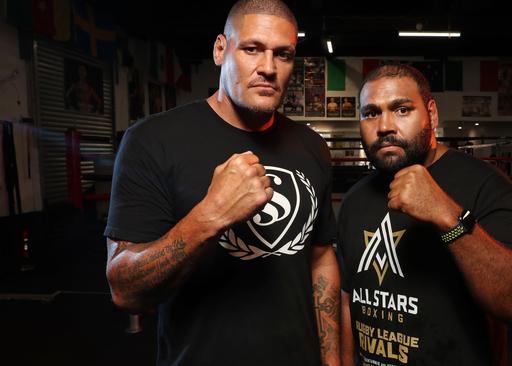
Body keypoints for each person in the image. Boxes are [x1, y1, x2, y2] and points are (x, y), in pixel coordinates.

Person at [104, 1, 340, 365]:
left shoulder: (312, 147)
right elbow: (125, 290)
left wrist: (332, 361)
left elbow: (321, 258)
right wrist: (210, 216)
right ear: (220, 50)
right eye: (251, 49)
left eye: (283, 55)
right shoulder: (153, 140)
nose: (267, 68)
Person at [337, 64, 512, 366]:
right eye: (371, 113)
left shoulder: (485, 186)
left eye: (402, 109)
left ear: (431, 114)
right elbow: (348, 300)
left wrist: (448, 215)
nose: (384, 126)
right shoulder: (355, 199)